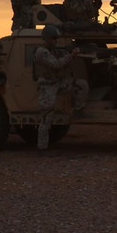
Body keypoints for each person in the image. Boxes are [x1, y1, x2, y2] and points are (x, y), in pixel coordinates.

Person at [34, 24, 88, 155]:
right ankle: (42, 148)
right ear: (46, 38)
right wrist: (71, 55)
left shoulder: (54, 49)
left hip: (59, 82)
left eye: (56, 38)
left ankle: (78, 110)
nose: (55, 40)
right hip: (47, 85)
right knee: (47, 116)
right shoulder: (42, 52)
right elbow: (56, 64)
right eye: (53, 38)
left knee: (81, 85)